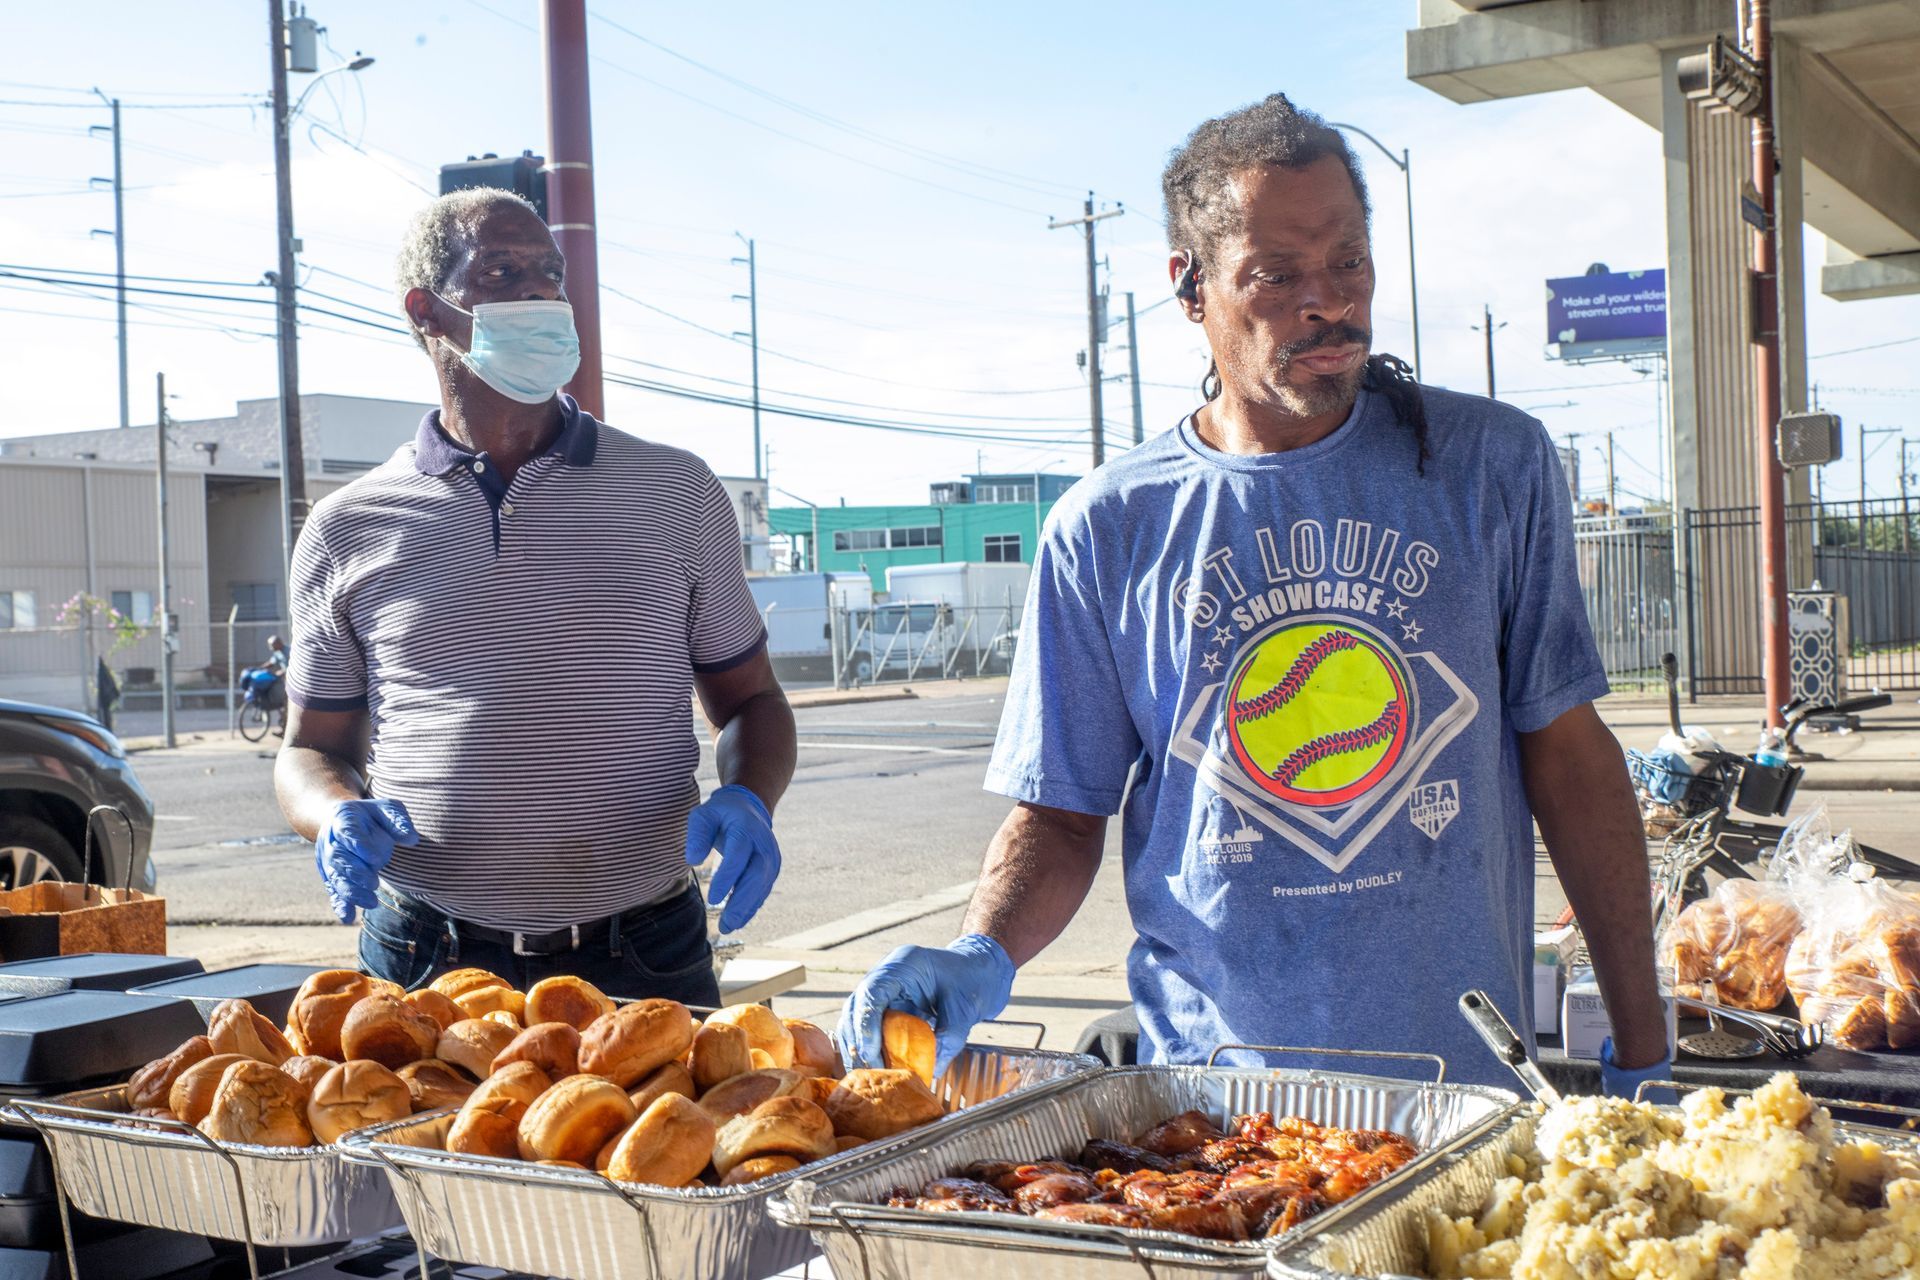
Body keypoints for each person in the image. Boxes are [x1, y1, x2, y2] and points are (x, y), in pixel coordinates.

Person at [839, 94, 1670, 1094]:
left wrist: (1642, 1039)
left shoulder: (1488, 465)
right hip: (1215, 1111)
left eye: (1350, 260)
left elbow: (1570, 758)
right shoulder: (1107, 529)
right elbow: (1062, 816)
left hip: (1465, 1096)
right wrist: (982, 950)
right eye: (1278, 276)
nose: (1330, 300)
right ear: (1192, 287)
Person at [274, 188, 796, 1005]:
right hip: (426, 954)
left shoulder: (674, 490)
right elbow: (310, 749)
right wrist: (334, 812)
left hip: (643, 950)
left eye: (550, 275)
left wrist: (749, 796)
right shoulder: (348, 525)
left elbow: (752, 700)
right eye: (503, 270)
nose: (540, 295)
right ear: (427, 312)